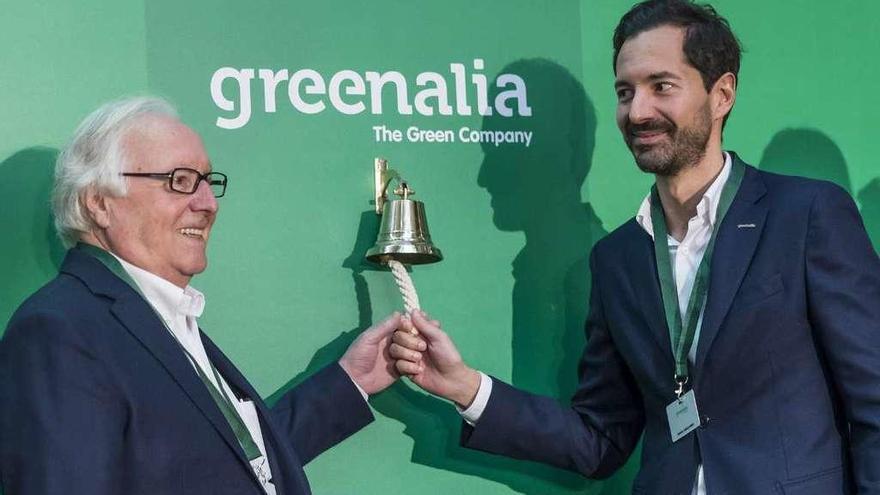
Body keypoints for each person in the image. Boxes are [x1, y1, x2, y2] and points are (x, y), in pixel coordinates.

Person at [390, 1, 880, 494]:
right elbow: (599, 439)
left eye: (661, 86)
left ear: (721, 94)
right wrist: (466, 387)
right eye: (625, 92)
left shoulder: (807, 214)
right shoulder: (616, 259)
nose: (638, 111)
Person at [0, 97, 402, 495]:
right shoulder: (60, 331)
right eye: (179, 180)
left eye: (208, 181)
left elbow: (224, 468)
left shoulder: (160, 317)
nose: (208, 203)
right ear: (100, 203)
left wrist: (352, 382)